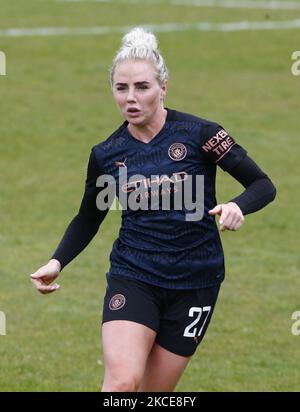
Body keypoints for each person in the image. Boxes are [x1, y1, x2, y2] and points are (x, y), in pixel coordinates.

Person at [30, 27, 276, 392]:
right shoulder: (107, 153)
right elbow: (88, 217)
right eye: (121, 88)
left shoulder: (200, 134)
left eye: (142, 87)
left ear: (163, 87)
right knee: (121, 384)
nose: (131, 98)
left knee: (154, 394)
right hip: (135, 275)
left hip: (197, 280)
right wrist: (57, 261)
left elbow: (263, 185)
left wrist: (236, 207)